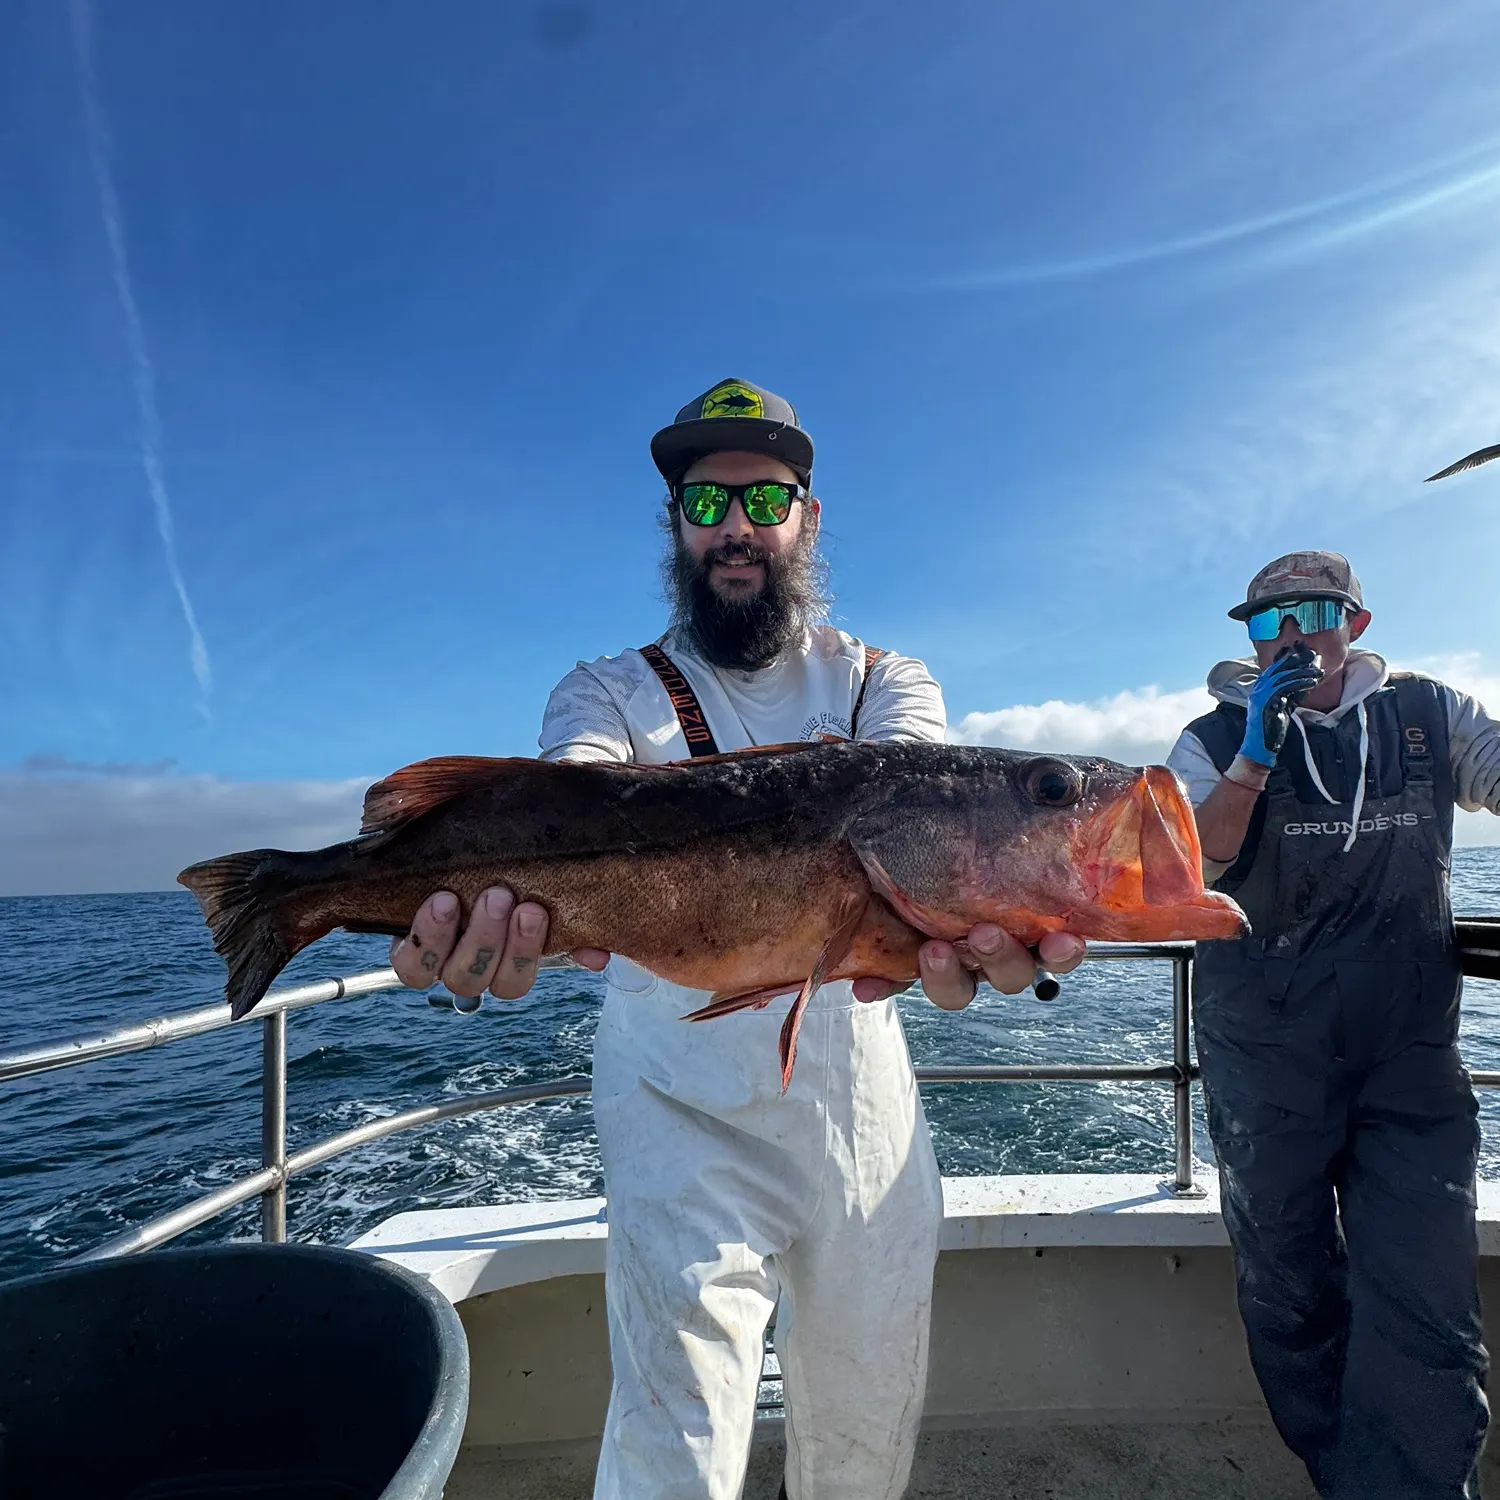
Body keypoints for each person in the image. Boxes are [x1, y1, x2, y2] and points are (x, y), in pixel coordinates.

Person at [389, 377, 1086, 1500]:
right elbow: (576, 796)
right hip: (673, 1104)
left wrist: (992, 901)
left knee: (864, 1431)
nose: (736, 529)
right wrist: (490, 904)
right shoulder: (607, 693)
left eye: (764, 498)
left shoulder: (883, 683)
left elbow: (924, 803)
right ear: (673, 529)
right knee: (675, 1443)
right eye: (705, 506)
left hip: (861, 1108)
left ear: (807, 516)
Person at [1166, 550, 1500, 1500]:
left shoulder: (1433, 715)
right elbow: (1199, 865)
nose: (1289, 634)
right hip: (1264, 1060)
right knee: (1287, 1287)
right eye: (1266, 622)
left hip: (1410, 1062)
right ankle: (1345, 1475)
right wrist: (1255, 756)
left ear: (1353, 620)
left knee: (1430, 1298)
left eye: (1310, 612)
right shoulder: (1208, 736)